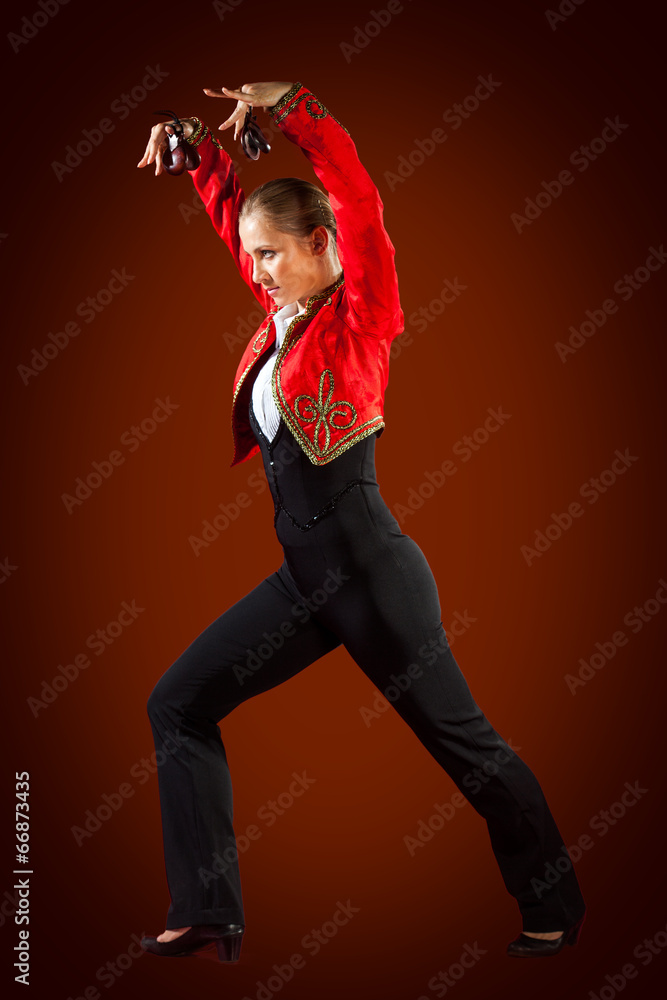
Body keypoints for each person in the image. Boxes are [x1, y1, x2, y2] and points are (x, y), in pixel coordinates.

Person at [135, 80, 587, 962]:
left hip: (373, 577)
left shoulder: (361, 314)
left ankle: (556, 903)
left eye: (273, 254)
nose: (255, 268)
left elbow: (357, 197)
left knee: (465, 747)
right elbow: (234, 214)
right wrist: (196, 145)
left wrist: (295, 107)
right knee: (177, 705)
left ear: (321, 245)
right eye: (253, 256)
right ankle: (208, 910)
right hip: (305, 581)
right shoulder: (285, 318)